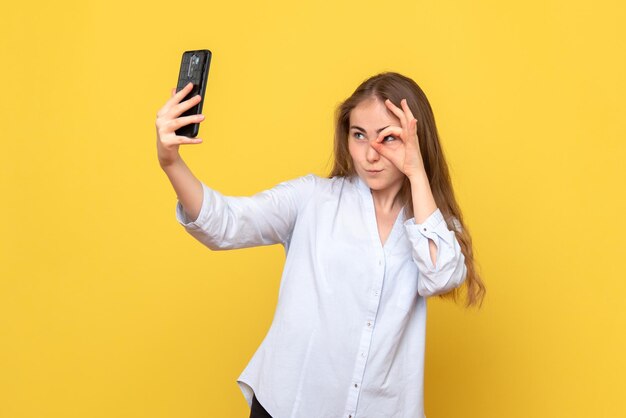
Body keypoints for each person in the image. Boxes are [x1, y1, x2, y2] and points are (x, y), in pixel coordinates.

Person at [155, 72, 486, 418]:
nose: (370, 154)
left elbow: (442, 275)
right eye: (359, 135)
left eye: (389, 138)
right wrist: (171, 163)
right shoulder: (313, 198)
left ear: (416, 140)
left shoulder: (430, 225)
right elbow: (226, 224)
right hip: (290, 407)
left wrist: (417, 173)